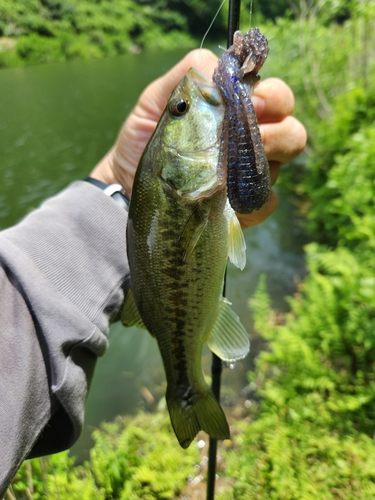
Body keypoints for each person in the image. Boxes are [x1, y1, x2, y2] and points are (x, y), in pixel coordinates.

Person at [0, 48, 306, 495]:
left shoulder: (182, 187)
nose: (187, 100)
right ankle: (185, 387)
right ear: (172, 171)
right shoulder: (176, 187)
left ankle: (184, 384)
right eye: (181, 109)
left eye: (178, 110)